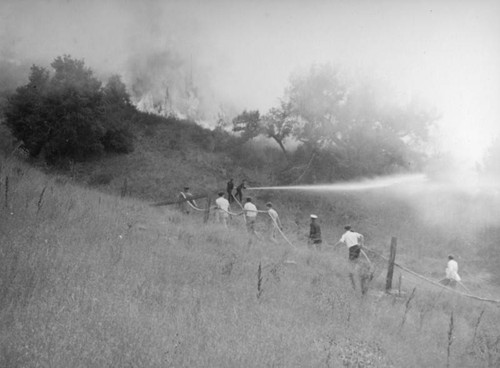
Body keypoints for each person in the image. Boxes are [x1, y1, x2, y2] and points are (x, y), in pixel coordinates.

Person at [335, 225, 366, 293]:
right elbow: (362, 236)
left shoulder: (345, 235)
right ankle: (357, 271)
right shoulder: (354, 233)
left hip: (352, 249)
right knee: (356, 260)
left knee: (351, 263)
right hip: (357, 247)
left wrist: (335, 246)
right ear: (350, 229)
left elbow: (341, 241)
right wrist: (362, 244)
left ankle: (354, 276)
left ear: (345, 229)